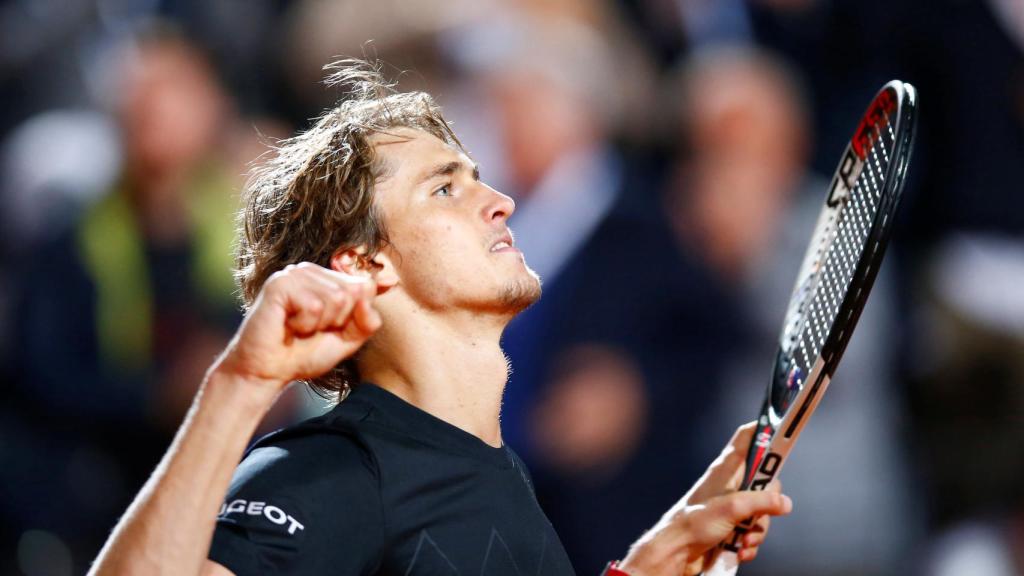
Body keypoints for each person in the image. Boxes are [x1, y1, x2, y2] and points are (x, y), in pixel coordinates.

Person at [87, 60, 792, 576]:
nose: (500, 201)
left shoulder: (498, 479)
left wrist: (646, 570)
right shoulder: (333, 474)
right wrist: (239, 383)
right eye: (445, 187)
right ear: (366, 265)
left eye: (478, 177)